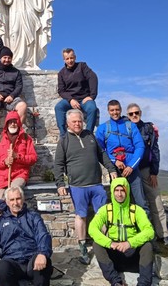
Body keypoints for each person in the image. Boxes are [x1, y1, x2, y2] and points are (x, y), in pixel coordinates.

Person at [54, 109, 118, 264]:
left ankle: (105, 245)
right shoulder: (64, 140)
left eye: (79, 121)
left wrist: (111, 169)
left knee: (102, 215)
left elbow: (102, 154)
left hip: (96, 184)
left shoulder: (90, 135)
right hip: (78, 186)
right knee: (81, 216)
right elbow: (58, 164)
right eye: (74, 121)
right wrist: (60, 184)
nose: (77, 124)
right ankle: (82, 248)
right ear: (68, 123)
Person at [0, 186, 52, 286]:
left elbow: (43, 236)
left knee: (45, 263)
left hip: (32, 259)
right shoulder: (0, 222)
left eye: (18, 199)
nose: (15, 203)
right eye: (12, 200)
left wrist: (42, 253)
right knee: (3, 267)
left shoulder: (33, 216)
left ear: (22, 199)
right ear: (7, 202)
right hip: (12, 261)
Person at [88, 177, 155, 286]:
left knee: (147, 246)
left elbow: (149, 231)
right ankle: (116, 282)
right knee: (97, 244)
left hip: (133, 256)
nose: (119, 194)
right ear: (113, 192)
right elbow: (92, 229)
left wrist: (130, 243)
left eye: (122, 190)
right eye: (116, 190)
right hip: (114, 255)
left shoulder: (137, 210)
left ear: (127, 191)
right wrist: (109, 243)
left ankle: (144, 283)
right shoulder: (105, 210)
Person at [126, 103, 168, 246]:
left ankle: (163, 234)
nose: (134, 115)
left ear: (140, 113)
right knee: (133, 204)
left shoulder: (148, 128)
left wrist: (154, 172)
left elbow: (155, 150)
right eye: (131, 114)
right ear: (127, 115)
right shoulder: (123, 127)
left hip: (146, 169)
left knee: (155, 200)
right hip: (130, 171)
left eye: (136, 113)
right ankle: (138, 234)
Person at [95, 100, 149, 216]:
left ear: (120, 110)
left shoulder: (130, 126)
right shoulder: (103, 128)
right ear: (108, 111)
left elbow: (140, 146)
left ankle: (146, 232)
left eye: (117, 110)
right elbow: (100, 150)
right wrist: (114, 161)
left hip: (132, 169)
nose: (115, 112)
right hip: (115, 170)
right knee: (118, 202)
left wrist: (131, 166)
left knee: (140, 202)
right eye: (112, 110)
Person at [0, 47, 27, 143]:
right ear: (0, 58)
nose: (7, 60)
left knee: (23, 106)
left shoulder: (16, 72)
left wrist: (12, 96)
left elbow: (19, 87)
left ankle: (16, 132)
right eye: (5, 57)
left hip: (10, 98)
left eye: (9, 58)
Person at [0, 110, 37, 200]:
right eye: (10, 122)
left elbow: (33, 158)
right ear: (6, 124)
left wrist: (18, 157)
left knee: (14, 194)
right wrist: (4, 162)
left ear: (19, 123)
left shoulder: (27, 139)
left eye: (15, 122)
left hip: (19, 175)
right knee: (0, 202)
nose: (13, 124)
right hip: (2, 177)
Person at [55, 48, 99, 137]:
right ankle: (63, 135)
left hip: (84, 99)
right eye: (67, 59)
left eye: (71, 58)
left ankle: (89, 134)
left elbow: (93, 77)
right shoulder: (61, 73)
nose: (70, 60)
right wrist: (70, 99)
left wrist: (91, 96)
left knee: (92, 108)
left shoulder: (82, 66)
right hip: (70, 100)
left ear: (75, 57)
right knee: (58, 107)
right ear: (64, 59)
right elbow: (61, 90)